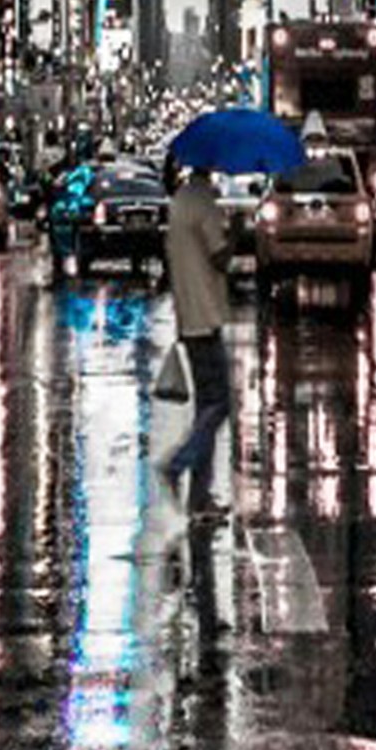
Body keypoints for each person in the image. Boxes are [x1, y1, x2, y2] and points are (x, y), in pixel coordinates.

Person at [158, 160, 234, 514]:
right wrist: (234, 231)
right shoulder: (203, 202)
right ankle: (178, 464)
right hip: (204, 316)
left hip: (188, 314)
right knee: (220, 403)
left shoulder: (180, 200)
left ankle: (199, 499)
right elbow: (220, 257)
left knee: (207, 407)